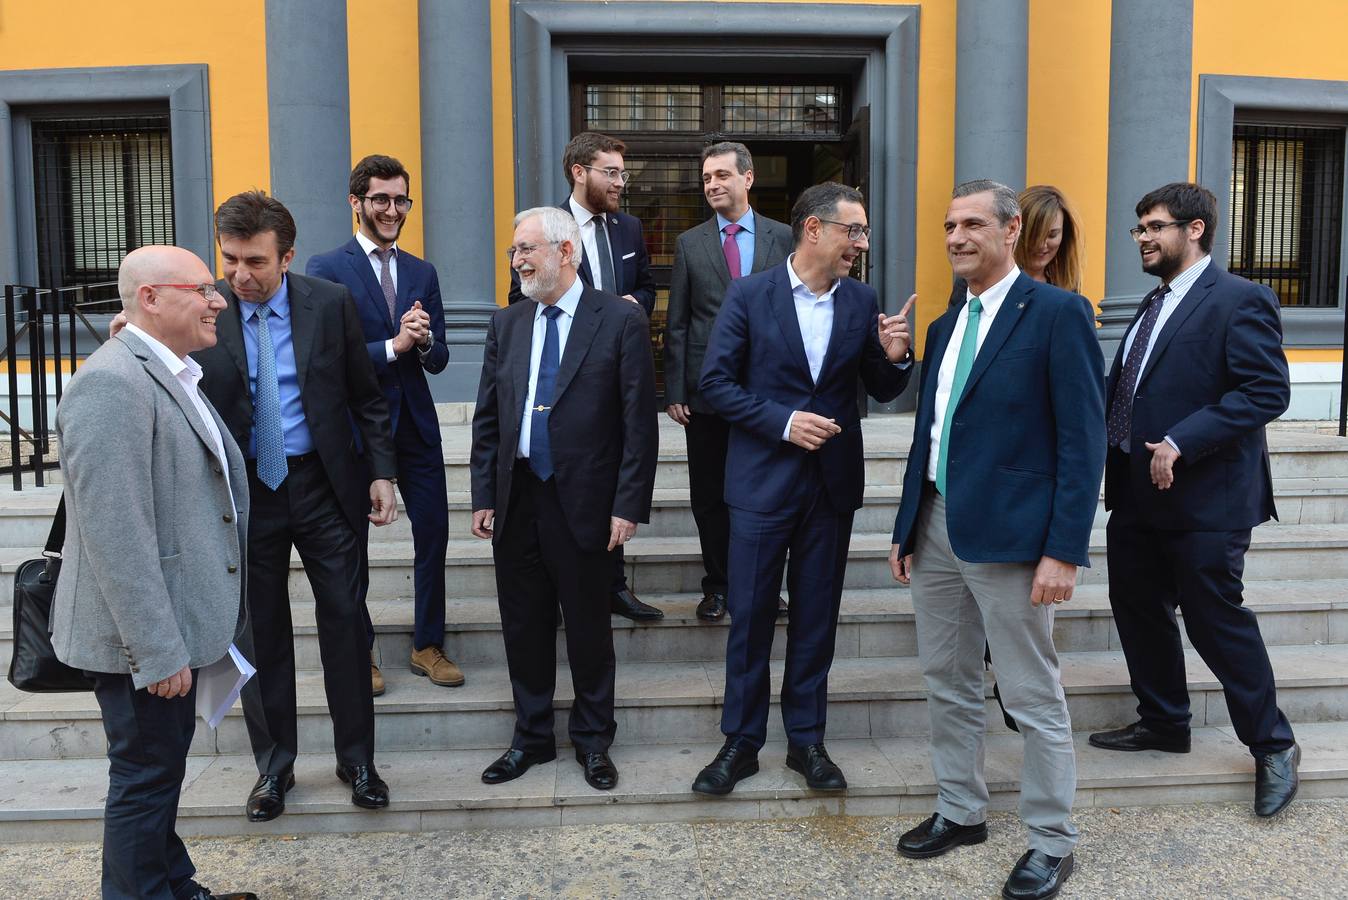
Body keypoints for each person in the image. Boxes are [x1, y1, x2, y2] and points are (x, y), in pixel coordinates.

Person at [889, 180, 1105, 900]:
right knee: (947, 681)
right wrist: (907, 527)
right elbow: (930, 435)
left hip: (1016, 539)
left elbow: (1083, 441)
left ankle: (1051, 841)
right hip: (939, 526)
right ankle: (961, 810)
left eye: (973, 224)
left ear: (1012, 230)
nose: (956, 237)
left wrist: (1064, 549)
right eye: (949, 225)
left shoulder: (1059, 314)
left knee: (1032, 694)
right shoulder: (947, 327)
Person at [691, 182, 913, 797]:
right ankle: (740, 740)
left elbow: (882, 386)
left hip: (830, 489)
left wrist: (895, 356)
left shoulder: (862, 299)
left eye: (863, 232)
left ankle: (807, 740)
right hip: (762, 483)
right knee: (752, 618)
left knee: (817, 619)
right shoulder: (749, 294)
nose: (861, 243)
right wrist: (783, 423)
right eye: (854, 231)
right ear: (814, 229)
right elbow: (714, 383)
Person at [1089, 182, 1299, 818]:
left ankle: (1273, 745)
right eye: (1139, 229)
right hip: (1136, 494)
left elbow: (1266, 391)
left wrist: (1183, 439)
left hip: (1208, 497)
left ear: (1196, 228)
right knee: (1137, 608)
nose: (1144, 239)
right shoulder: (1152, 306)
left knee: (1215, 621)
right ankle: (1163, 721)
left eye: (1154, 227)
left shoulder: (1240, 299)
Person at [53, 245, 256, 900]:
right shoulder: (112, 383)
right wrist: (158, 649)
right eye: (202, 288)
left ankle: (176, 890)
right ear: (150, 298)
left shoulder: (162, 369)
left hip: (179, 623)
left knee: (159, 773)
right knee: (143, 781)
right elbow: (117, 537)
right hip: (143, 643)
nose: (218, 299)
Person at [195, 191, 399, 821]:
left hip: (323, 488)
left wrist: (381, 473)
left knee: (344, 620)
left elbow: (366, 397)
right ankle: (274, 768)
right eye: (229, 260)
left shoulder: (329, 304)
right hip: (244, 495)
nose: (238, 276)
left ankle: (357, 760)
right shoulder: (207, 312)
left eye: (254, 262)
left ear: (285, 257)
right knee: (261, 635)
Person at [471, 206, 658, 791]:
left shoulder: (618, 320)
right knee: (522, 625)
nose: (518, 260)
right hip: (518, 496)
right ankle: (530, 738)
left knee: (587, 628)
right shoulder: (508, 323)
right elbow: (488, 419)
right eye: (513, 251)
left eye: (527, 249)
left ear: (566, 252)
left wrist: (628, 505)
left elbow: (638, 423)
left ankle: (593, 740)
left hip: (586, 500)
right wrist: (484, 493)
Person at [307, 154, 463, 695]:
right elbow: (325, 355)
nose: (393, 209)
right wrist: (393, 346)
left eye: (401, 200)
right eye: (382, 199)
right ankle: (362, 652)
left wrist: (423, 341)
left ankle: (427, 644)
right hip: (355, 428)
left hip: (416, 424)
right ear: (356, 203)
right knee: (353, 546)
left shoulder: (423, 271)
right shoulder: (328, 268)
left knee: (434, 537)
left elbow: (439, 360)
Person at [507, 131, 662, 623]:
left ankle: (611, 586)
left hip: (618, 368)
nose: (620, 181)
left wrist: (634, 308)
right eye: (610, 172)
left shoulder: (629, 228)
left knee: (610, 471)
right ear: (579, 172)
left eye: (622, 172)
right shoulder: (538, 230)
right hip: (564, 375)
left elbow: (646, 284)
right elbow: (521, 297)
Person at [663, 141, 792, 622]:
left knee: (767, 494)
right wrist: (674, 390)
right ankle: (718, 585)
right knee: (710, 496)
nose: (713, 185)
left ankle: (765, 586)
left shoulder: (784, 237)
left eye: (721, 176)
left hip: (768, 392)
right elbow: (677, 322)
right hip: (706, 393)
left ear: (748, 178)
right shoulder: (689, 243)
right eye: (706, 179)